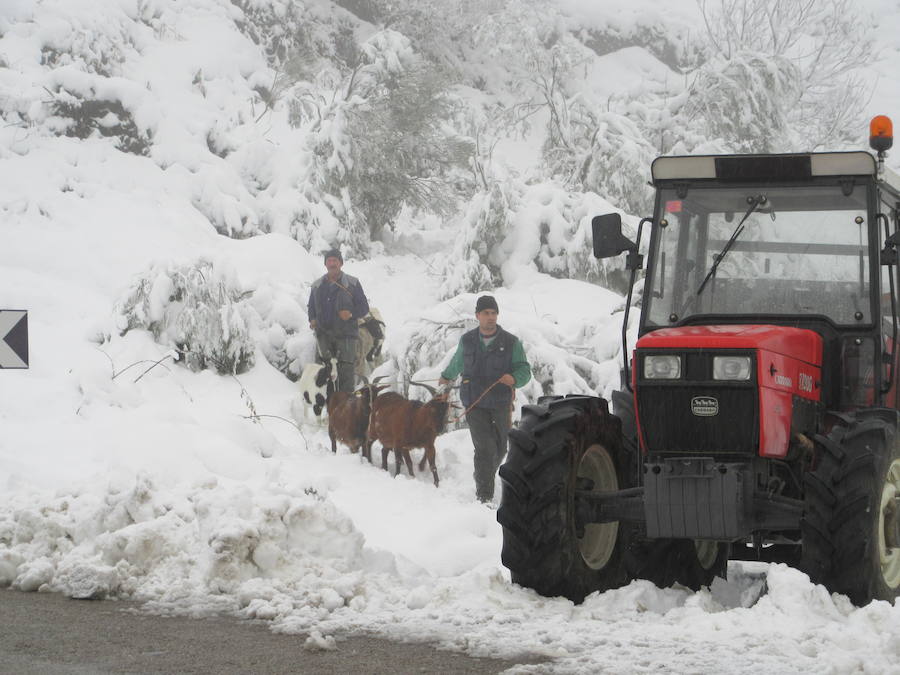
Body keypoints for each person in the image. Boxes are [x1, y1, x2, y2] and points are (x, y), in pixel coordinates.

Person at [439, 295, 531, 503]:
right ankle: (484, 496)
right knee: (484, 448)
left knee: (501, 448)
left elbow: (524, 370)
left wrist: (514, 378)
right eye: (486, 313)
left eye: (493, 313)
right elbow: (457, 362)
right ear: (477, 316)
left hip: (500, 402)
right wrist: (446, 376)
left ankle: (484, 475)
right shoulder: (468, 341)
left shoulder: (511, 342)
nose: (490, 317)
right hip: (474, 402)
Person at [307, 249, 370, 393]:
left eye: (335, 260)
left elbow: (364, 307)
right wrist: (312, 320)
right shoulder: (317, 286)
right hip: (323, 337)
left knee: (346, 374)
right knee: (324, 373)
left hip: (346, 337)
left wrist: (350, 314)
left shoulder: (353, 283)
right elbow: (311, 308)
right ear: (325, 264)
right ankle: (327, 407)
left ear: (341, 263)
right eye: (329, 261)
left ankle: (346, 408)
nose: (332, 263)